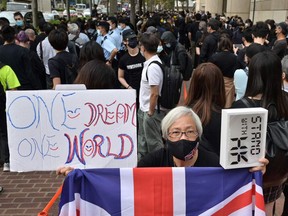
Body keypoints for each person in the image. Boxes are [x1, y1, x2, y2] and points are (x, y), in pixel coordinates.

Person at [57, 106, 268, 175]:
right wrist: (80, 174)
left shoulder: (214, 164)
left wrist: (255, 172)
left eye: (189, 132)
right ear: (165, 137)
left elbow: (238, 183)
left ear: (198, 135)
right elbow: (116, 181)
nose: (183, 138)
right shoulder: (151, 163)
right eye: (175, 133)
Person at [231, 51, 288, 216]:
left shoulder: (240, 106)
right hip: (279, 172)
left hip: (250, 172)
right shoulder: (285, 101)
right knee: (268, 206)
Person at [185, 63, 225, 157]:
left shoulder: (182, 115)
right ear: (220, 86)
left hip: (189, 169)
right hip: (218, 168)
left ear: (193, 84)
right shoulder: (225, 117)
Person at [137, 32, 164, 161]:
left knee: (153, 143)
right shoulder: (151, 63)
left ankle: (160, 166)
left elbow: (154, 92)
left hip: (150, 111)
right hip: (145, 109)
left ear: (143, 48)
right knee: (143, 142)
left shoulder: (153, 67)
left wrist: (150, 112)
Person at [0, 25, 41, 90]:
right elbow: (30, 72)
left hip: (4, 87)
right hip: (24, 87)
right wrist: (37, 87)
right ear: (15, 36)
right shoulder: (24, 51)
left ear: (1, 36)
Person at [0, 61, 20, 172]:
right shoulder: (6, 69)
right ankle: (6, 161)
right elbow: (14, 90)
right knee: (4, 133)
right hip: (2, 107)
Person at [118, 29, 145, 109]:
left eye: (134, 38)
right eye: (129, 39)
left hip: (144, 90)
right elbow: (120, 77)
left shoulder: (143, 55)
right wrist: (128, 87)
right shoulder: (123, 59)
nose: (132, 41)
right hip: (132, 92)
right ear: (124, 42)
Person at [209, 35, 237, 108]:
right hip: (230, 82)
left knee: (217, 102)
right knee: (228, 103)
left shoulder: (215, 57)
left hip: (217, 81)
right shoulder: (234, 57)